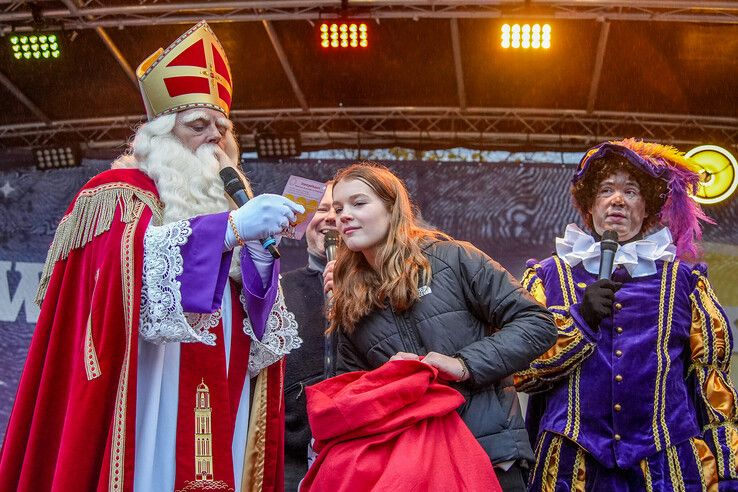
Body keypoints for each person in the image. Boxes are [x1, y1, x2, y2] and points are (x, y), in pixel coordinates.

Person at [0, 21, 304, 492]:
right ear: (161, 134)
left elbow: (255, 320)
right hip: (148, 378)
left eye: (221, 129)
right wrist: (229, 230)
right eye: (198, 126)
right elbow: (125, 277)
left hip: (221, 375)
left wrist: (259, 261)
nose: (213, 140)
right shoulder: (117, 195)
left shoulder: (229, 201)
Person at [516, 138, 738, 490]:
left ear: (646, 208)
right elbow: (521, 372)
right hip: (570, 468)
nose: (618, 199)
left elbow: (712, 387)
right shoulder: (546, 276)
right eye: (606, 189)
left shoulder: (686, 284)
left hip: (666, 465)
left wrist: (727, 469)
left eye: (631, 191)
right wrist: (581, 321)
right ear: (590, 204)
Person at [323, 162, 558, 491]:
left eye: (358, 203)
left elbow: (537, 324)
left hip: (488, 454)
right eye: (337, 208)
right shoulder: (350, 299)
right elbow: (356, 396)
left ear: (393, 209)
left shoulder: (454, 258)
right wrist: (385, 382)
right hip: (413, 468)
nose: (343, 215)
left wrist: (464, 364)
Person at [281, 182, 337, 490]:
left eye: (338, 210)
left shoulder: (383, 290)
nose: (329, 217)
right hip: (293, 460)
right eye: (321, 209)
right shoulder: (279, 288)